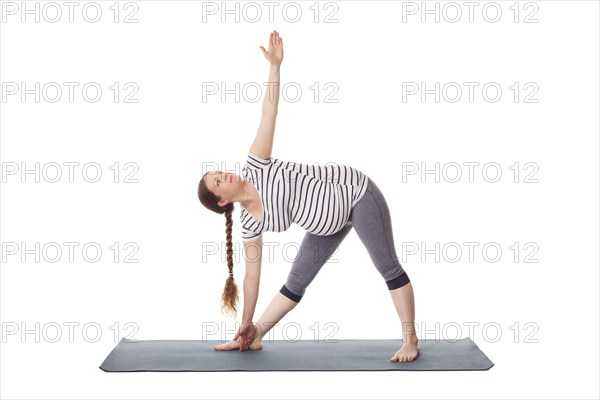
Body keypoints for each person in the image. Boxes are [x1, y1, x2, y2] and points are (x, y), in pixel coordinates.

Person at [198, 30, 419, 363]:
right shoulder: (247, 222)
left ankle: (410, 340)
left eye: (219, 171)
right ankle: (254, 335)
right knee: (295, 282)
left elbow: (268, 113)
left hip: (356, 194)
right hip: (324, 226)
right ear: (222, 201)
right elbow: (253, 275)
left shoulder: (256, 164)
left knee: (386, 266)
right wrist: (246, 324)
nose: (224, 174)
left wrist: (274, 67)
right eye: (218, 181)